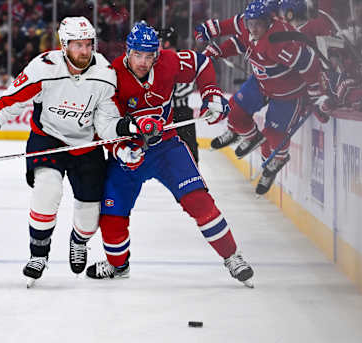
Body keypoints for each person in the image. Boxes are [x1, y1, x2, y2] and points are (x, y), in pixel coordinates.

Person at [0, 16, 145, 287]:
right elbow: (9, 102)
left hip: (86, 145)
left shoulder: (105, 74)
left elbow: (105, 123)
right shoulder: (43, 68)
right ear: (64, 45)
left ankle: (78, 241)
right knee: (47, 190)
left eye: (88, 44)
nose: (84, 51)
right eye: (77, 45)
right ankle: (39, 255)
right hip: (48, 139)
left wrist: (125, 127)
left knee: (90, 217)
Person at [85, 21, 255, 288]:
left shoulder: (169, 61)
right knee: (112, 216)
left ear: (157, 53)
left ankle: (232, 256)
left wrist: (211, 93)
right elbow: (103, 125)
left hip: (167, 148)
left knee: (199, 202)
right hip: (130, 154)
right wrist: (120, 149)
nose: (143, 62)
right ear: (128, 51)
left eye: (149, 55)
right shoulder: (110, 76)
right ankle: (119, 266)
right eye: (137, 54)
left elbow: (201, 64)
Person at [198, 1, 330, 195]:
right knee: (234, 111)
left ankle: (276, 161)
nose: (253, 28)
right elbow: (239, 39)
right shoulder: (248, 23)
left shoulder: (279, 41)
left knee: (273, 138)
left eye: (258, 24)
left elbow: (308, 64)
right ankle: (252, 137)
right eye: (250, 24)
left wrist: (314, 93)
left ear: (269, 22)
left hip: (288, 94)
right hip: (260, 83)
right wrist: (219, 49)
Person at [158, 26, 199, 163]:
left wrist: (164, 92)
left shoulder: (185, 61)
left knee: (189, 155)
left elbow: (187, 87)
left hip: (182, 115)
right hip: (163, 115)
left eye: (159, 41)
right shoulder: (156, 60)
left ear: (167, 43)